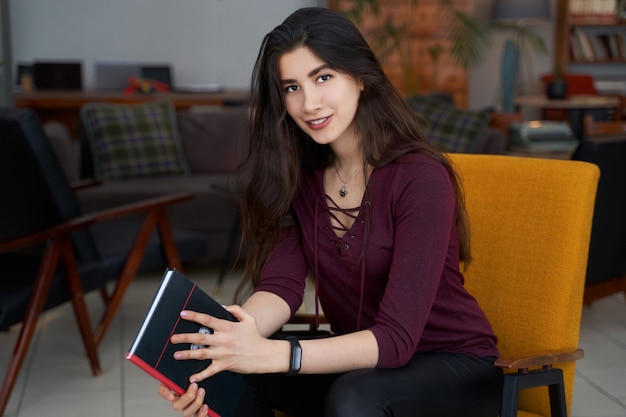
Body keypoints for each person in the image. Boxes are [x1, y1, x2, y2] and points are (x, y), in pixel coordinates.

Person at [158, 7, 503, 417]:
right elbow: (281, 287)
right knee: (235, 375)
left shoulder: (420, 177)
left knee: (352, 396)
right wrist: (226, 347)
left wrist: (276, 355)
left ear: (359, 77)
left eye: (323, 78)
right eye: (291, 87)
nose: (309, 103)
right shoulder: (298, 178)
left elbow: (395, 340)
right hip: (365, 365)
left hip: (457, 368)